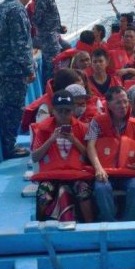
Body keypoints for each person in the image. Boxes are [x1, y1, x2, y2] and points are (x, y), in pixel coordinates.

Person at [30, 90, 95, 222]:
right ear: (53, 111)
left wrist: (74, 140)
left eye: (67, 111)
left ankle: (90, 225)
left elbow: (89, 156)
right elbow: (35, 157)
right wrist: (51, 139)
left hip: (76, 174)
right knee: (43, 193)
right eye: (60, 111)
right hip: (51, 175)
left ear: (73, 110)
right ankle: (40, 225)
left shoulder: (83, 128)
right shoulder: (43, 129)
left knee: (84, 191)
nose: (63, 115)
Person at [0, 0, 36, 159]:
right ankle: (9, 148)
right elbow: (21, 45)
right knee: (13, 110)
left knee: (5, 107)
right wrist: (29, 69)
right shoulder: (18, 11)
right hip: (14, 72)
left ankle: (4, 146)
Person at [86, 86, 135, 222]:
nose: (123, 106)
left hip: (129, 173)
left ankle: (129, 223)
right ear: (109, 105)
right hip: (105, 172)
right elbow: (90, 146)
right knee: (101, 188)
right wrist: (98, 168)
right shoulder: (96, 122)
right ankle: (110, 224)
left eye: (125, 101)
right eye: (118, 102)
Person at [33, 0, 66, 82]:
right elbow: (37, 19)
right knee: (51, 68)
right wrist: (49, 30)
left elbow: (48, 17)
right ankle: (49, 91)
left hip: (52, 37)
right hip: (48, 39)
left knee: (54, 66)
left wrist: (59, 28)